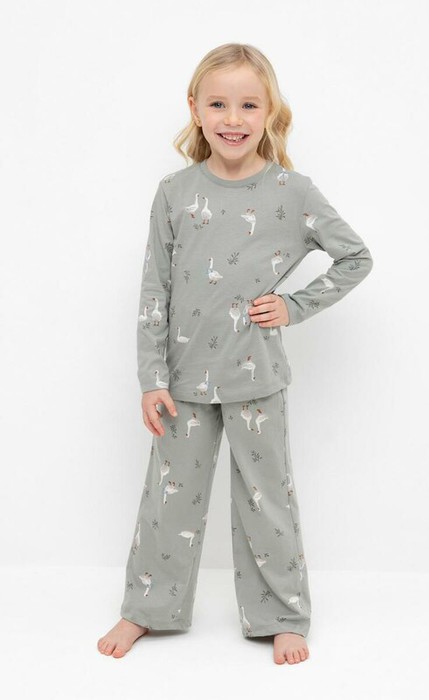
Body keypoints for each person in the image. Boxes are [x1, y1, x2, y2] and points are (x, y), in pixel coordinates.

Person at [97, 42, 373, 665]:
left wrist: (295, 306)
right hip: (183, 383)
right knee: (169, 498)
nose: (233, 118)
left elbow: (356, 257)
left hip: (257, 379)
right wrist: (151, 377)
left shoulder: (293, 192)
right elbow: (154, 288)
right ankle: (147, 608)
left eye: (249, 104)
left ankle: (282, 615)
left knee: (266, 498)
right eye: (219, 103)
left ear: (270, 110)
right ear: (194, 108)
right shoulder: (174, 192)